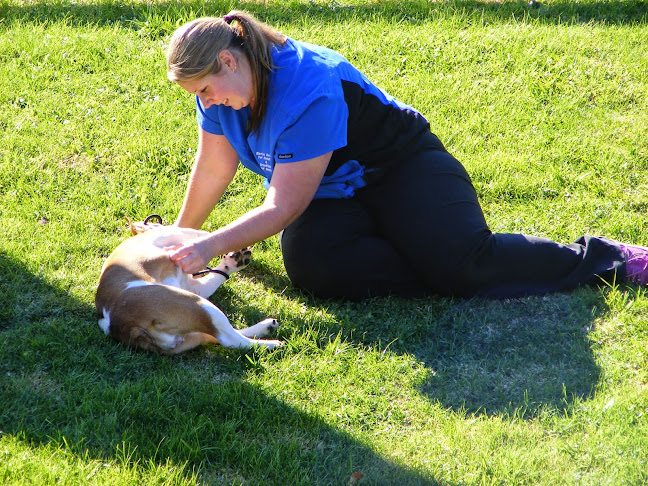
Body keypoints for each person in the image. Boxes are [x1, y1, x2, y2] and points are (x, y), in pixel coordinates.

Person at [164, 10, 648, 301]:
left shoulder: (307, 87)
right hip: (336, 192)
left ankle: (606, 259)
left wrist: (208, 248)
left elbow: (283, 206)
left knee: (467, 266)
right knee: (314, 266)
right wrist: (178, 238)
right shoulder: (224, 93)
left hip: (404, 166)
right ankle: (435, 259)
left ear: (229, 60)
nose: (205, 103)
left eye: (206, 90)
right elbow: (213, 167)